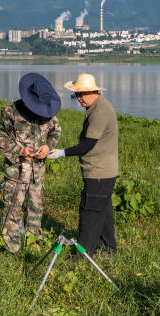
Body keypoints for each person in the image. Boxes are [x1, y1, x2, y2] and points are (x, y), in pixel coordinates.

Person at [49, 73, 118, 259]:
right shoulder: (96, 106)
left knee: (89, 212)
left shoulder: (100, 111)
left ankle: (83, 254)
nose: (78, 99)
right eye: (76, 95)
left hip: (99, 172)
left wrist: (61, 153)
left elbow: (88, 144)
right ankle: (110, 250)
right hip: (103, 170)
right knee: (102, 211)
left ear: (93, 91)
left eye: (81, 95)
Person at [0, 73, 62, 255]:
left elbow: (56, 131)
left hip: (37, 171)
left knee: (35, 207)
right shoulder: (11, 111)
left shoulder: (49, 112)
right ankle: (12, 247)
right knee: (12, 207)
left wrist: (49, 146)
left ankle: (33, 243)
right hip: (15, 171)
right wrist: (19, 150)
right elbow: (0, 137)